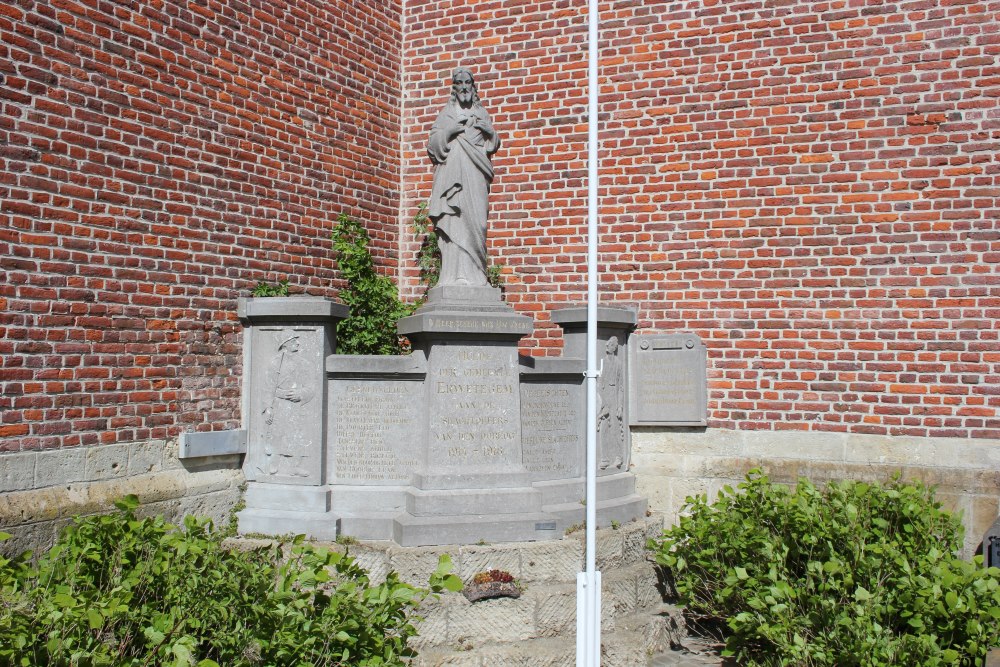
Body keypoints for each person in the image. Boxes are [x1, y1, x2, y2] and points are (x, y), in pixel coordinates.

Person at [427, 68, 501, 286]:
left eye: (468, 82)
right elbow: (433, 145)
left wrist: (490, 132)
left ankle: (477, 276)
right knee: (454, 220)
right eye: (459, 83)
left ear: (473, 85)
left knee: (478, 223)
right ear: (454, 87)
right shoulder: (447, 114)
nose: (464, 87)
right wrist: (449, 131)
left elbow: (492, 144)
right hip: (452, 176)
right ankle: (452, 277)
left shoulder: (482, 113)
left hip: (476, 175)